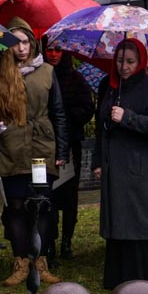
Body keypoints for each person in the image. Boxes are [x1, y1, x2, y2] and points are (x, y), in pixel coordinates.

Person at [0, 19, 68, 286]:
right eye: (15, 42)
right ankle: (21, 261)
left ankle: (41, 261)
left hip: (42, 146)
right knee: (16, 207)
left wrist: (62, 149)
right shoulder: (0, 73)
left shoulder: (47, 72)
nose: (21, 47)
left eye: (25, 41)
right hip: (10, 149)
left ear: (32, 42)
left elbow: (59, 113)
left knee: (42, 205)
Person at [92, 38, 148, 289]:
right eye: (119, 61)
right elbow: (100, 128)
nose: (124, 67)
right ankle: (121, 276)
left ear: (140, 62)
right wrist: (98, 161)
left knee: (142, 221)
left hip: (143, 169)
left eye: (129, 61)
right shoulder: (111, 88)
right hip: (116, 168)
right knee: (120, 221)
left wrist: (128, 117)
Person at [42, 44, 95, 261]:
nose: (53, 54)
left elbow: (87, 108)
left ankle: (67, 241)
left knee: (69, 195)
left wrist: (67, 115)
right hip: (46, 143)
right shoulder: (40, 76)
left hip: (71, 144)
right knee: (48, 194)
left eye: (57, 49)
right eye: (49, 50)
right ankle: (50, 242)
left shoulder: (75, 79)